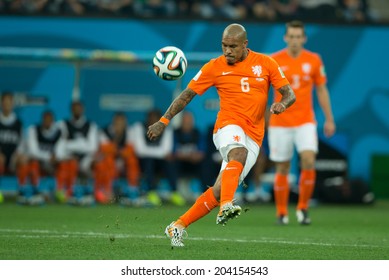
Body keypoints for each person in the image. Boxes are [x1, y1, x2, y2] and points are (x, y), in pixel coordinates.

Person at [147, 23, 296, 247]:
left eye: (233, 46)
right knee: (238, 153)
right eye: (224, 46)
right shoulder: (214, 67)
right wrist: (163, 121)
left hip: (254, 134)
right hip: (228, 126)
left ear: (245, 45)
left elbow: (289, 94)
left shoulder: (266, 63)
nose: (227, 51)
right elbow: (186, 95)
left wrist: (282, 105)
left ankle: (177, 226)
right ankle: (227, 206)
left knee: (218, 190)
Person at [269, 20, 336, 225]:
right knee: (282, 167)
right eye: (292, 36)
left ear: (304, 38)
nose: (295, 40)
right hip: (280, 122)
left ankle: (303, 208)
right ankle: (282, 212)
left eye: (299, 37)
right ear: (285, 38)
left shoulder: (315, 60)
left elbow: (322, 89)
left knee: (308, 160)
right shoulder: (274, 60)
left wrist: (329, 118)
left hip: (305, 120)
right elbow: (264, 92)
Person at [131, 108, 185, 206]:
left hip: (160, 163)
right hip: (143, 162)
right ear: (147, 119)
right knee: (149, 161)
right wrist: (160, 153)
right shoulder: (138, 127)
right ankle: (151, 193)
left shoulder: (167, 129)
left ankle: (174, 192)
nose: (153, 123)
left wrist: (155, 153)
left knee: (170, 162)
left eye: (156, 120)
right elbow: (140, 150)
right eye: (151, 119)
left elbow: (166, 150)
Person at [56, 100, 99, 205]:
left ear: (83, 109)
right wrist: (82, 143)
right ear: (71, 110)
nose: (77, 110)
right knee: (68, 163)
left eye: (79, 108)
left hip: (86, 158)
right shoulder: (63, 124)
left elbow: (92, 147)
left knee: (97, 164)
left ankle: (93, 192)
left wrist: (70, 144)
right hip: (69, 157)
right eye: (74, 108)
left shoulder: (91, 125)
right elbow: (61, 145)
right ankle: (67, 192)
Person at [95, 112, 142, 206]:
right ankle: (106, 191)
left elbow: (130, 149)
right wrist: (117, 137)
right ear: (113, 122)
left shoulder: (130, 131)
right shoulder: (104, 131)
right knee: (105, 161)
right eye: (117, 122)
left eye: (122, 122)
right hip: (109, 161)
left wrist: (118, 151)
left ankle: (132, 191)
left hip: (123, 161)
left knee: (132, 160)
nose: (120, 124)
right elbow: (105, 150)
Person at [24, 110, 62, 204]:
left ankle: (60, 192)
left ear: (53, 121)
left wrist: (56, 158)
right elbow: (33, 152)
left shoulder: (58, 132)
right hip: (39, 161)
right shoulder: (34, 130)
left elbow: (61, 150)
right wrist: (48, 157)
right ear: (42, 120)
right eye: (46, 119)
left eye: (50, 120)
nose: (48, 122)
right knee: (33, 163)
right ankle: (33, 192)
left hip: (52, 164)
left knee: (65, 164)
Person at [0, 91, 30, 203]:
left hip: (13, 158)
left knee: (23, 160)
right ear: (1, 103)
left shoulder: (18, 123)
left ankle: (21, 191)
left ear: (12, 104)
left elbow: (22, 143)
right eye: (5, 102)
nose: (7, 104)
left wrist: (17, 154)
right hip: (1, 157)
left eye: (9, 102)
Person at [172, 110, 206, 201]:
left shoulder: (197, 133)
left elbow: (201, 153)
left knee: (205, 164)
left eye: (189, 120)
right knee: (171, 163)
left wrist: (195, 156)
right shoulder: (175, 133)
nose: (187, 122)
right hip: (180, 163)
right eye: (185, 120)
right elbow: (173, 152)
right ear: (181, 121)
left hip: (194, 163)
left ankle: (204, 194)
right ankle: (175, 193)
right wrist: (187, 156)